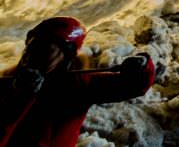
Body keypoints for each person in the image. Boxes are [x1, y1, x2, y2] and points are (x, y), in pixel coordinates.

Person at [0, 17, 155, 147]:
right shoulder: (8, 83)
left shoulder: (79, 85)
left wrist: (142, 67)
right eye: (31, 49)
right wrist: (20, 96)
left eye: (45, 51)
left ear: (66, 57)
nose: (32, 58)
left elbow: (133, 86)